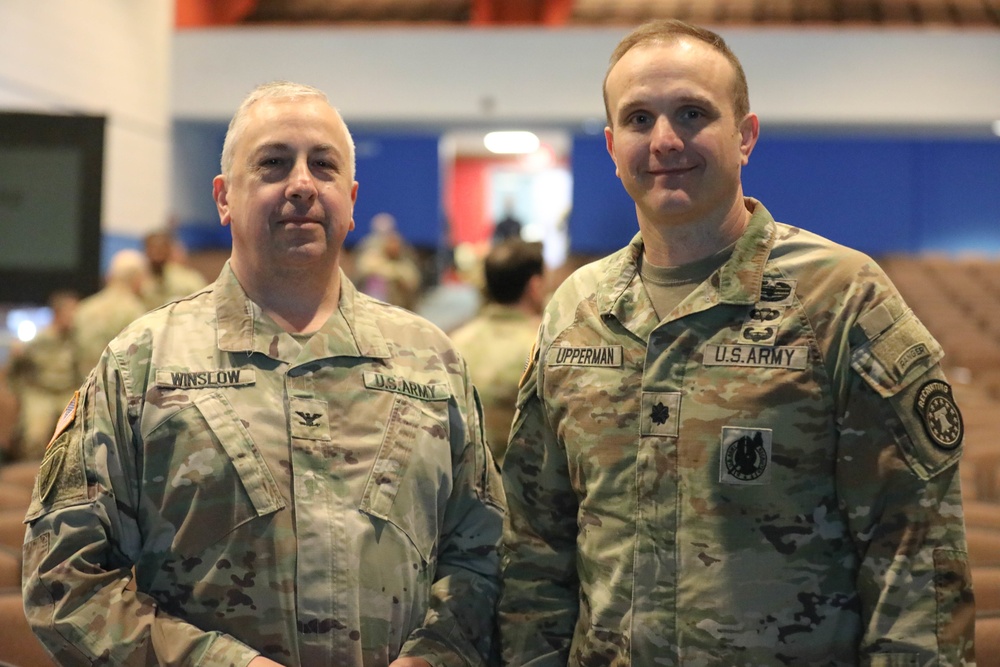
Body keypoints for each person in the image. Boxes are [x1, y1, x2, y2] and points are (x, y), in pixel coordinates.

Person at [499, 19, 974, 666]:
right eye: (639, 119)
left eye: (692, 113)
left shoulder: (842, 298)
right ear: (612, 147)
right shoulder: (576, 310)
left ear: (744, 135)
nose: (665, 140)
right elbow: (535, 546)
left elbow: (915, 559)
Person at [22, 81, 504, 667]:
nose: (301, 183)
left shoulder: (430, 361)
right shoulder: (141, 363)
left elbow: (486, 556)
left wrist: (437, 655)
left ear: (350, 199)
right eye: (273, 163)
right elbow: (64, 580)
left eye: (323, 166)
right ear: (224, 198)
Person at [450, 240, 545, 464]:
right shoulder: (540, 347)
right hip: (515, 490)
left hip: (460, 485)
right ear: (535, 286)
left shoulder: (455, 342)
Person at [5, 290, 79, 460]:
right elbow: (15, 370)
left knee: (78, 431)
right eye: (70, 311)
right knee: (35, 434)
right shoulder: (39, 340)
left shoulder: (76, 340)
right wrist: (18, 394)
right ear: (58, 313)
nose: (74, 316)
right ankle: (29, 474)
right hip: (41, 393)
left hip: (67, 392)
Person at [71, 248, 150, 384]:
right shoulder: (135, 311)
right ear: (137, 278)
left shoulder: (84, 308)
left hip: (84, 390)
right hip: (118, 392)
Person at [141, 229, 208, 309]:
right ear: (145, 251)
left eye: (161, 248)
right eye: (152, 248)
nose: (156, 254)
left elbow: (204, 304)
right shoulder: (139, 282)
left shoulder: (189, 279)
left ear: (169, 250)